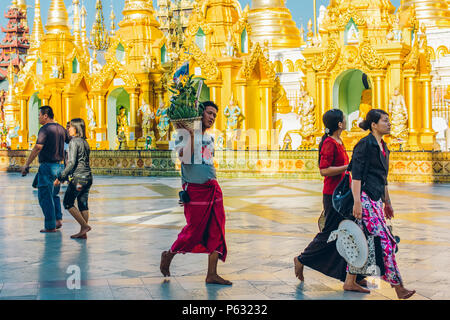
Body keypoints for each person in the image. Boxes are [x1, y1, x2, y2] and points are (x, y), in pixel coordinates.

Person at [294, 109, 369, 293]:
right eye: (343, 119)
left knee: (348, 231)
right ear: (339, 124)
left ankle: (353, 276)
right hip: (333, 195)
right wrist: (347, 167)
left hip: (343, 193)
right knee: (330, 232)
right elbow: (324, 170)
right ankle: (302, 258)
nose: (345, 121)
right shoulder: (329, 143)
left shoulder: (339, 141)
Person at [159, 101, 232, 286]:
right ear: (199, 114)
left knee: (217, 229)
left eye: (214, 115)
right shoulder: (183, 135)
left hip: (213, 189)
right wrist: (191, 134)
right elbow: (184, 159)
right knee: (194, 230)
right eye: (209, 113)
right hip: (195, 191)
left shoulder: (210, 138)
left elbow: (207, 163)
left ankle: (212, 274)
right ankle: (169, 254)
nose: (212, 118)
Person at [351, 109, 416, 299]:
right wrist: (357, 202)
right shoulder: (364, 145)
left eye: (389, 120)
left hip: (376, 199)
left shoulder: (383, 147)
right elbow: (356, 176)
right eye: (385, 120)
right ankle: (398, 287)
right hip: (364, 198)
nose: (389, 123)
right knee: (386, 241)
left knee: (360, 241)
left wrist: (387, 202)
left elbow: (383, 178)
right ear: (374, 125)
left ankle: (350, 280)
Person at [21, 106, 70, 233]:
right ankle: (58, 220)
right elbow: (68, 146)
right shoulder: (62, 129)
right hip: (60, 166)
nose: (38, 117)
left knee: (44, 196)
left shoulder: (44, 129)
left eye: (39, 115)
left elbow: (38, 147)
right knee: (54, 194)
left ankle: (50, 225)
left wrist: (27, 164)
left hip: (48, 166)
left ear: (45, 116)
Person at [54, 118, 93, 239]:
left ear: (76, 128)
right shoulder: (85, 142)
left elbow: (71, 163)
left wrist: (60, 178)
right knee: (83, 204)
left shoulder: (74, 142)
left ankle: (84, 226)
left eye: (70, 127)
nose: (68, 129)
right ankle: (83, 233)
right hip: (88, 177)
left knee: (67, 202)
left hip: (78, 178)